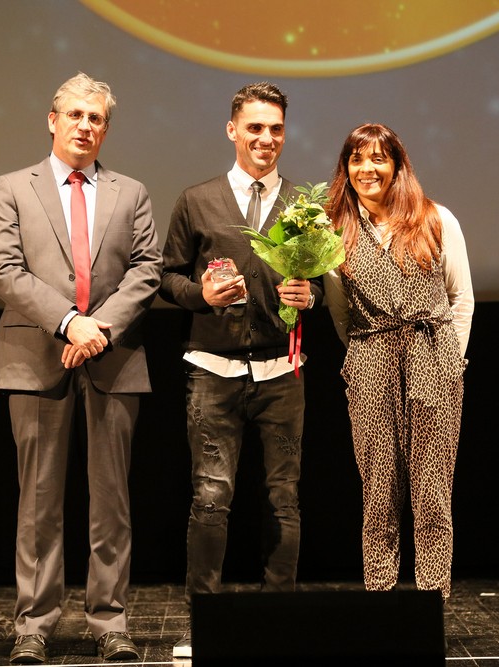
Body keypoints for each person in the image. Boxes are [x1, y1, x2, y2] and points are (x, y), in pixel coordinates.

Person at [0, 72, 161, 664]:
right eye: (76, 115)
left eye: (97, 119)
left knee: (111, 499)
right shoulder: (13, 187)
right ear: (53, 120)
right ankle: (34, 624)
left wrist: (98, 328)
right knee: (37, 500)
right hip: (34, 357)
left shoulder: (130, 191)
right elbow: (5, 270)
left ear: (106, 129)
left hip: (113, 357)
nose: (86, 126)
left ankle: (110, 621)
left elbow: (146, 270)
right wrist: (68, 322)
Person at [159, 82, 321, 657]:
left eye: (275, 128)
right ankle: (204, 622)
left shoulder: (306, 207)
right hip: (212, 371)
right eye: (254, 127)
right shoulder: (196, 200)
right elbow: (167, 277)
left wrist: (311, 295)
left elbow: (324, 285)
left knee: (284, 499)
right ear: (232, 130)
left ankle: (279, 621)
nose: (265, 139)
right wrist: (199, 293)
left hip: (283, 370)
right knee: (210, 497)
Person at [323, 123, 474, 603]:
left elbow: (461, 298)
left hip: (434, 357)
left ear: (396, 165)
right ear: (346, 169)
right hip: (370, 358)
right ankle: (381, 604)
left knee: (432, 493)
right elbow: (339, 312)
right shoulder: (333, 231)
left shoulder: (435, 218)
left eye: (378, 159)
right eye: (357, 160)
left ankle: (431, 602)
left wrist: (451, 360)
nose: (367, 169)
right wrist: (363, 354)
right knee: (379, 492)